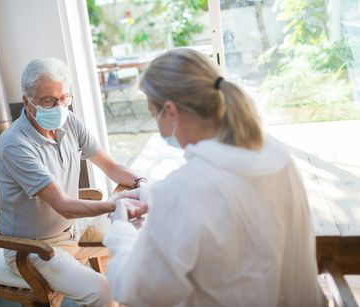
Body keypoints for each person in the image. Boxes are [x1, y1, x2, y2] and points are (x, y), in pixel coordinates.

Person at [103, 48, 326, 306]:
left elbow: (138, 291)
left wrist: (120, 229)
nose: (157, 125)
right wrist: (152, 196)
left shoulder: (185, 190)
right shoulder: (275, 155)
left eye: (154, 115)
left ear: (171, 112)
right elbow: (235, 203)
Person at [0, 57, 147, 307]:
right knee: (103, 293)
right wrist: (115, 205)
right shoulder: (15, 145)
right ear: (27, 101)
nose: (59, 106)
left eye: (64, 98)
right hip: (31, 248)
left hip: (71, 228)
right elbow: (64, 204)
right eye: (48, 101)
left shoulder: (68, 121)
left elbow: (111, 167)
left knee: (140, 251)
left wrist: (142, 182)